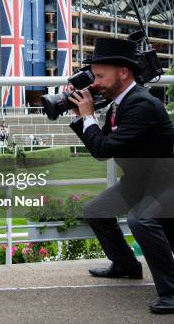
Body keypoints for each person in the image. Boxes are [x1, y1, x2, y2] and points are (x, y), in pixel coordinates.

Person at [68, 37, 174, 314]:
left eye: (101, 75)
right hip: (142, 180)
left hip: (168, 181)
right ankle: (126, 265)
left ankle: (171, 291)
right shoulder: (119, 103)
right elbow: (100, 148)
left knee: (142, 220)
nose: (96, 83)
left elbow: (104, 147)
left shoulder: (142, 105)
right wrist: (82, 116)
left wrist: (88, 115)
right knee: (96, 211)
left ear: (123, 73)